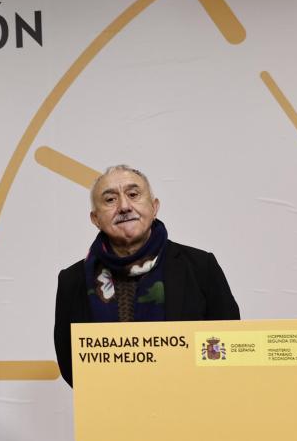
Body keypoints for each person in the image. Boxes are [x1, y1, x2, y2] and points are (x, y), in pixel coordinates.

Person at [54, 165, 240, 387]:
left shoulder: (200, 267)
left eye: (133, 195)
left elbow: (229, 347)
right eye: (110, 200)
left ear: (154, 207)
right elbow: (71, 366)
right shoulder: (73, 280)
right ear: (95, 219)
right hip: (110, 414)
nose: (124, 206)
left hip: (192, 409)